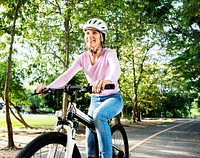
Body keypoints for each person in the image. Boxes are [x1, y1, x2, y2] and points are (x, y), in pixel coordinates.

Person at [36, 18, 124, 158]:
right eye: (87, 33)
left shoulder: (109, 54)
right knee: (90, 139)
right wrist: (49, 87)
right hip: (95, 100)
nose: (90, 36)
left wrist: (107, 80)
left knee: (99, 116)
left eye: (95, 32)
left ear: (102, 37)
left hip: (113, 98)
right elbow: (66, 76)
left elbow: (116, 69)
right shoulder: (82, 58)